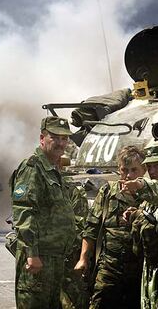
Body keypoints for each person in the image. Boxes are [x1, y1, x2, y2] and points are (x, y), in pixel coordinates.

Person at [11, 116, 76, 309]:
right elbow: (24, 211)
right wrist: (32, 253)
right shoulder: (33, 167)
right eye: (55, 137)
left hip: (55, 257)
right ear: (42, 138)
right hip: (39, 257)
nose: (61, 143)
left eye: (64, 138)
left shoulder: (53, 169)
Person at [74, 146, 146, 309]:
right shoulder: (108, 192)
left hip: (138, 272)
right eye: (124, 170)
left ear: (144, 170)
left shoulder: (149, 195)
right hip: (108, 269)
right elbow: (92, 226)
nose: (129, 175)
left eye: (134, 170)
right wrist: (83, 258)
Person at [119, 140, 158, 309]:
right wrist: (137, 214)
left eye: (157, 166)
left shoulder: (148, 189)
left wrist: (141, 184)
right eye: (149, 167)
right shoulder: (148, 200)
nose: (153, 171)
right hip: (149, 276)